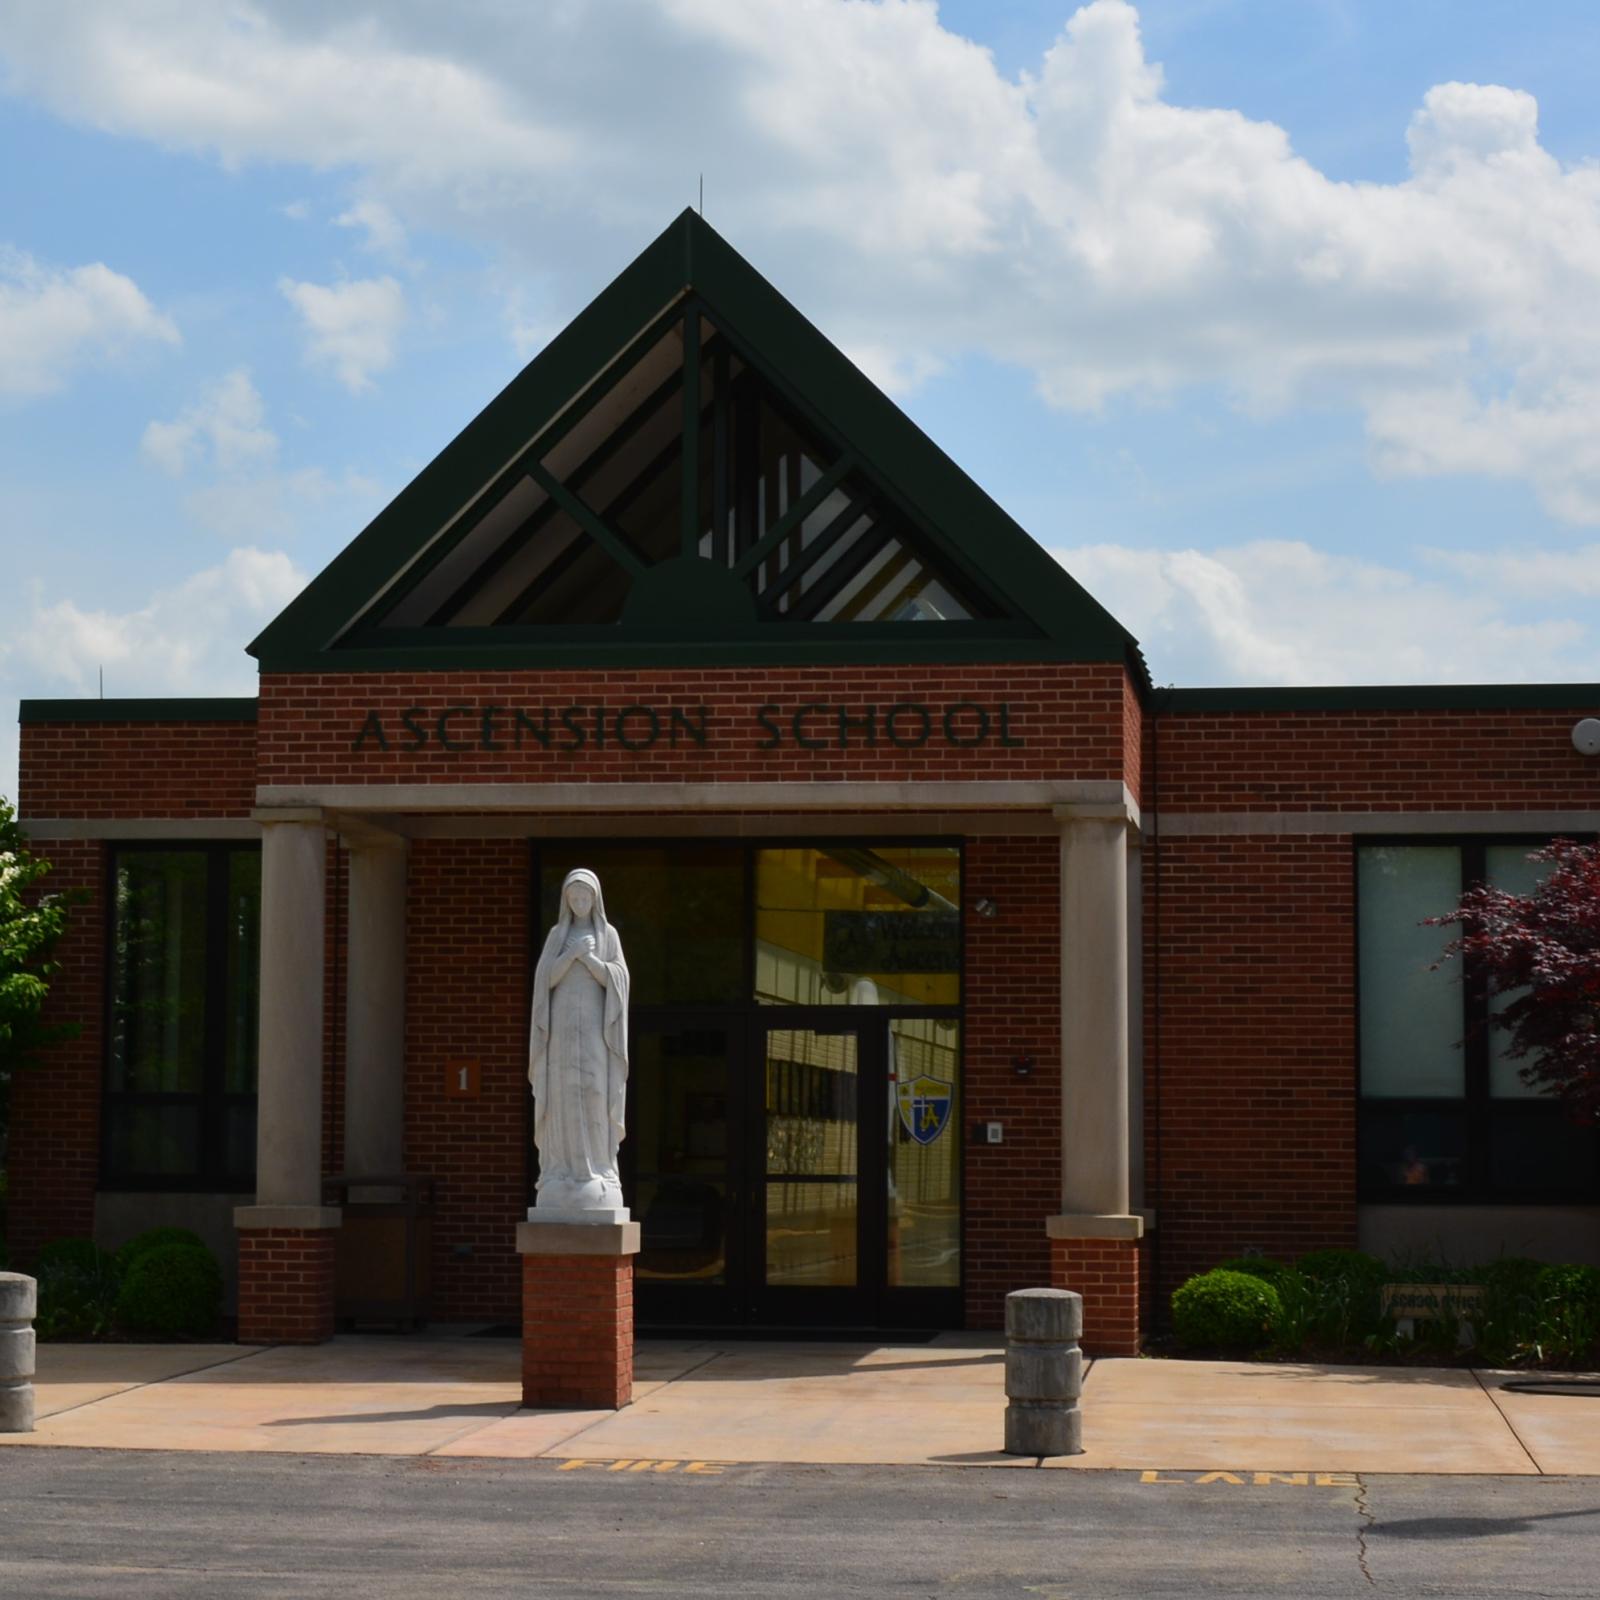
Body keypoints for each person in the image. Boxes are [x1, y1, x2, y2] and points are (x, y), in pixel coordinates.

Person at [528, 868, 631, 1213]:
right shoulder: (558, 935)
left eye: (586, 897)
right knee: (563, 1093)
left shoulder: (608, 936)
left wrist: (588, 957)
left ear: (595, 899)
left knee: (593, 1092)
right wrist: (570, 954)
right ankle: (562, 1170)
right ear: (567, 901)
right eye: (574, 898)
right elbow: (546, 981)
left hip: (594, 1033)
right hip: (560, 1032)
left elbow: (617, 981)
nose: (580, 902)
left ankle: (599, 1168)